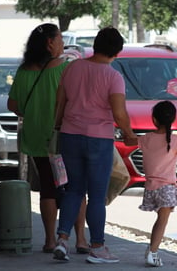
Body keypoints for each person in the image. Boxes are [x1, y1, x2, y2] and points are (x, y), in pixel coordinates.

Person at [53, 26, 137, 263]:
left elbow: (60, 102)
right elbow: (119, 113)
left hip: (70, 135)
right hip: (99, 139)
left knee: (74, 190)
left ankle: (62, 240)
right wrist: (129, 134)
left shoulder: (72, 67)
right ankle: (97, 246)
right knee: (97, 196)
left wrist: (57, 126)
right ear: (116, 52)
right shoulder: (113, 77)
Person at [7, 23, 89, 254]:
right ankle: (80, 239)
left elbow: (13, 105)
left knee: (47, 187)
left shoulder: (23, 72)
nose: (63, 43)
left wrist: (33, 111)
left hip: (36, 138)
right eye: (60, 39)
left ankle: (50, 240)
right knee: (75, 186)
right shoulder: (65, 69)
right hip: (64, 135)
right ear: (50, 43)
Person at [124, 100, 177, 267]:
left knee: (158, 220)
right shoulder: (176, 141)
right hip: (167, 188)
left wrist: (126, 128)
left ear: (154, 119)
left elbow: (128, 141)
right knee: (162, 221)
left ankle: (151, 251)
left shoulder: (146, 138)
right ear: (173, 120)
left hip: (150, 188)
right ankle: (152, 252)